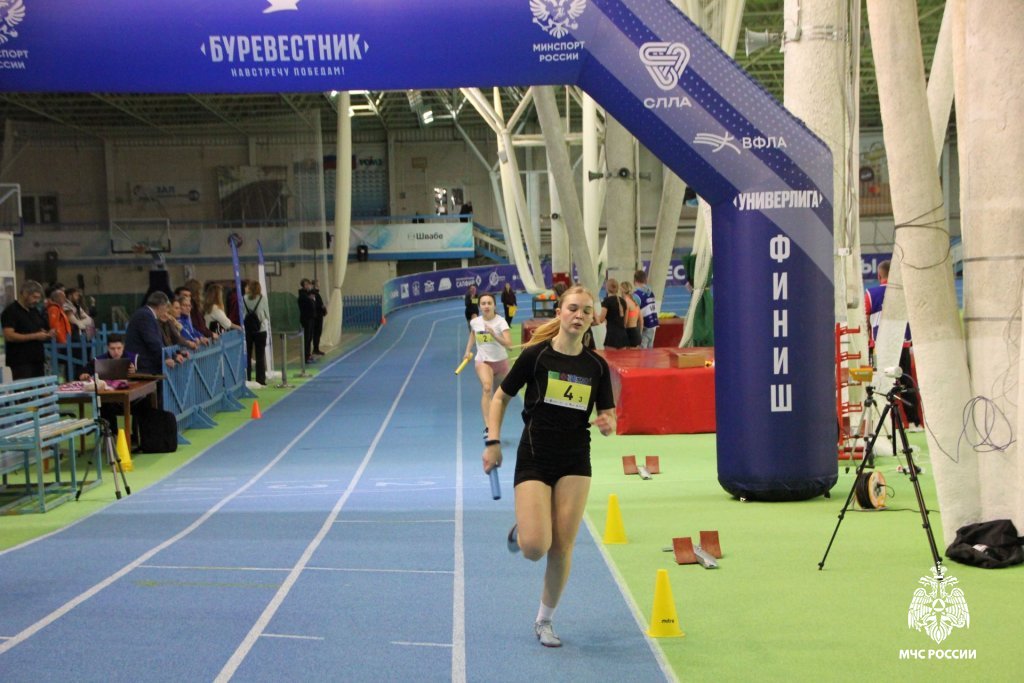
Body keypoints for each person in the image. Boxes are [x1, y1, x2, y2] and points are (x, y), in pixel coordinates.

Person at [483, 285, 616, 648]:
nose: (579, 315)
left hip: (575, 459)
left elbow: (608, 415)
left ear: (592, 319)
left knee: (562, 546)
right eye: (572, 308)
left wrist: (608, 423)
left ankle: (544, 620)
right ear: (559, 312)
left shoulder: (596, 367)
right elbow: (500, 397)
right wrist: (492, 441)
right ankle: (525, 529)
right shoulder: (536, 356)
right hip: (535, 454)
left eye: (586, 311)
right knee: (535, 547)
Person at [864, 259, 921, 427]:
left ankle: (882, 424)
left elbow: (865, 322)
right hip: (901, 344)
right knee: (906, 381)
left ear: (879, 275)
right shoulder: (905, 293)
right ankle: (914, 422)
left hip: (878, 346)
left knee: (879, 383)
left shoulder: (870, 294)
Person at [461, 292, 512, 436]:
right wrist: (467, 350)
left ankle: (496, 426)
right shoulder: (475, 322)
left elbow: (509, 345)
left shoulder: (501, 322)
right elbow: (473, 334)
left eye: (489, 303)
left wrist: (494, 335)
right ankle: (488, 427)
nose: (486, 306)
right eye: (483, 303)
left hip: (501, 363)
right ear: (479, 306)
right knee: (487, 388)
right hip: (483, 361)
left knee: (500, 398)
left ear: (494, 305)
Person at [2, 280, 53, 380]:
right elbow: (9, 336)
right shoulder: (11, 311)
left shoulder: (34, 311)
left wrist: (48, 333)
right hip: (20, 361)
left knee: (41, 388)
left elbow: (42, 327)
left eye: (38, 298)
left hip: (37, 359)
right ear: (25, 294)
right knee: (25, 388)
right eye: (34, 297)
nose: (37, 301)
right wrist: (35, 336)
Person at [125, 291, 177, 375]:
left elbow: (159, 341)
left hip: (145, 364)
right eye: (166, 307)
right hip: (143, 366)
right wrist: (165, 357)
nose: (167, 310)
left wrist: (174, 355)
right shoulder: (145, 316)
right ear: (161, 306)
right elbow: (153, 341)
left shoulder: (147, 315)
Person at [243, 279, 271, 385]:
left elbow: (243, 313)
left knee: (248, 354)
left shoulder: (244, 298)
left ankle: (248, 378)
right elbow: (267, 314)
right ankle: (260, 379)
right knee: (260, 355)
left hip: (248, 330)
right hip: (260, 330)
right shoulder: (262, 298)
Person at [595, 278, 629, 349]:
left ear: (607, 288)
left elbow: (601, 319)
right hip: (623, 336)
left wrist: (594, 314)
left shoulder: (607, 301)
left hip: (612, 337)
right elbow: (625, 322)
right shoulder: (623, 301)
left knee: (609, 356)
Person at [633, 269, 659, 348]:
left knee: (641, 352)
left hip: (643, 327)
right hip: (652, 325)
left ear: (634, 280)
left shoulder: (636, 295)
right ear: (645, 279)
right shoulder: (651, 292)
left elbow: (634, 313)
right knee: (649, 351)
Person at [297, 278, 318, 364]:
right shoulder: (302, 295)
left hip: (311, 318)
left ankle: (308, 355)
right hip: (306, 319)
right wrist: (310, 298)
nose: (308, 285)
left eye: (309, 284)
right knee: (306, 338)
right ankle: (305, 357)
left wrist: (312, 291)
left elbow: (315, 294)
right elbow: (307, 302)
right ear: (303, 285)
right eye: (306, 284)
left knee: (309, 338)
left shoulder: (308, 294)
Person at [619, 280, 641, 348]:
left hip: (629, 333)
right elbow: (640, 320)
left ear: (622, 290)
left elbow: (625, 322)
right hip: (636, 332)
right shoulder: (635, 302)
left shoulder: (625, 302)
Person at [311, 279, 327, 356]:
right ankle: (315, 349)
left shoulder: (317, 294)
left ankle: (316, 348)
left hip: (319, 315)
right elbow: (318, 305)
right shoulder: (314, 294)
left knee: (318, 333)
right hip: (317, 316)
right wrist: (323, 308)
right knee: (316, 333)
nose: (319, 285)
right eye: (317, 284)